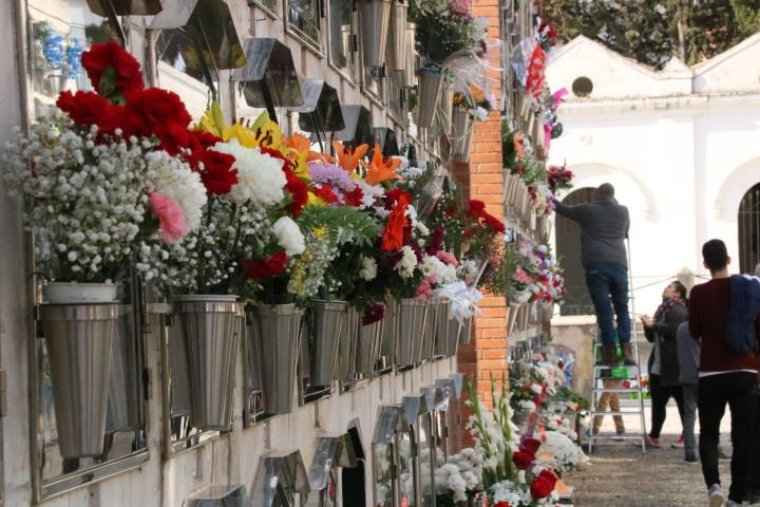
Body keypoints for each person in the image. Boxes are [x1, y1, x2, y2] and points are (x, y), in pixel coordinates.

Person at [688, 239, 760, 507]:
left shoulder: (698, 293)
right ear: (728, 260)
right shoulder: (747, 290)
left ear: (705, 264)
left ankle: (714, 486)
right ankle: (736, 497)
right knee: (742, 436)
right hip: (745, 370)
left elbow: (694, 331)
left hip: (711, 373)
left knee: (709, 433)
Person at [554, 183, 634, 366]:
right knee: (622, 308)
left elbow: (562, 209)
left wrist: (542, 193)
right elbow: (625, 233)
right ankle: (627, 349)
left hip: (596, 264)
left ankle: (611, 353)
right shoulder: (623, 211)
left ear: (597, 194)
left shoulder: (588, 210)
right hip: (619, 263)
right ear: (613, 195)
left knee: (604, 309)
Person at [640, 281, 688, 449]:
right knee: (658, 403)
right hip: (659, 365)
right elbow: (652, 337)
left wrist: (654, 325)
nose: (665, 288)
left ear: (677, 295)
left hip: (674, 366)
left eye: (670, 287)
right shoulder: (662, 309)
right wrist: (648, 326)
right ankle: (654, 435)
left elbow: (675, 330)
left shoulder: (678, 310)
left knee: (682, 403)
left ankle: (687, 435)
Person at [676, 320, 700, 463]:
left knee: (689, 415)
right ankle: (712, 448)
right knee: (709, 415)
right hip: (702, 374)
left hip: (686, 375)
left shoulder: (681, 328)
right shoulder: (703, 325)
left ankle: (689, 451)